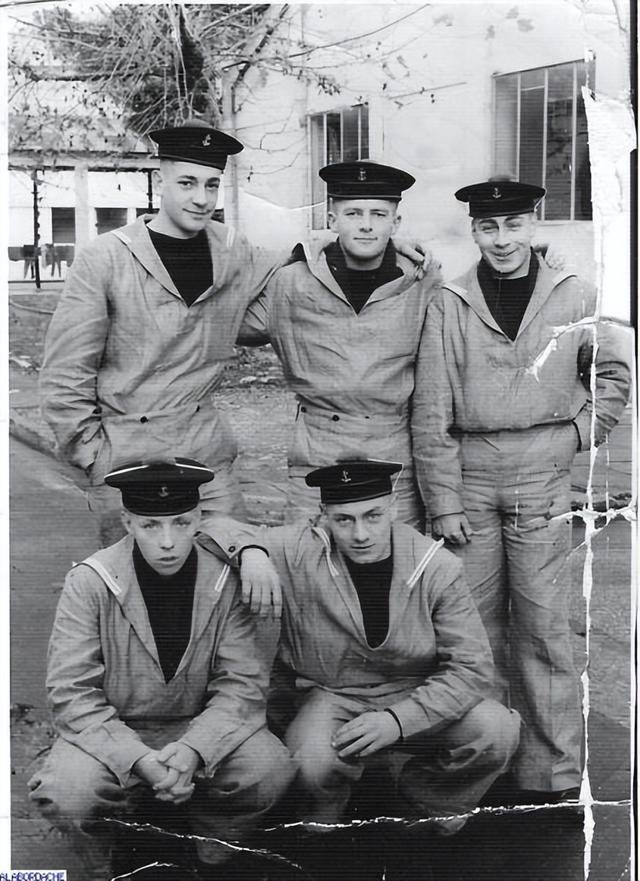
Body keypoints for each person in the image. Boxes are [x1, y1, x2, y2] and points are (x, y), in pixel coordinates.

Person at [411, 178, 632, 803]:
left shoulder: (573, 292)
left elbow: (613, 371)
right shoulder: (450, 301)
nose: (502, 240)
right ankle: (488, 761)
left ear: (534, 225)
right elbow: (431, 405)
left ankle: (551, 774)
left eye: (513, 225)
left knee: (544, 627)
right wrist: (442, 500)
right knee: (471, 629)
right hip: (471, 477)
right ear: (474, 231)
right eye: (489, 227)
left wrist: (581, 434)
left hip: (542, 475)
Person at [202, 459, 521, 834]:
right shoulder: (298, 549)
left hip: (417, 690)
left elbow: (471, 668)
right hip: (334, 695)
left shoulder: (436, 566)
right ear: (324, 516)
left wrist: (397, 721)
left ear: (393, 508)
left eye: (373, 516)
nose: (360, 534)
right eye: (344, 520)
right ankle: (328, 802)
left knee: (496, 730)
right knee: (310, 762)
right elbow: (209, 527)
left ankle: (428, 797)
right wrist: (251, 552)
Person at [28, 458, 295, 879]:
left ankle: (213, 845)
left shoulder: (225, 580)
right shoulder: (91, 581)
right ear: (128, 523)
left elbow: (241, 686)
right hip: (114, 727)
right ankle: (101, 862)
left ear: (199, 521)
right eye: (150, 525)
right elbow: (71, 693)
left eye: (181, 523)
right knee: (69, 791)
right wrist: (139, 760)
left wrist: (194, 750)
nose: (168, 542)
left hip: (198, 724)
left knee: (269, 769)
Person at [237, 160, 442, 529]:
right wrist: (296, 250)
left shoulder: (421, 283)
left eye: (378, 214)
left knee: (395, 559)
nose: (366, 224)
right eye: (353, 213)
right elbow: (219, 317)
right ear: (332, 221)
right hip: (316, 454)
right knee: (307, 557)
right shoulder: (292, 282)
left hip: (393, 455)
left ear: (396, 223)